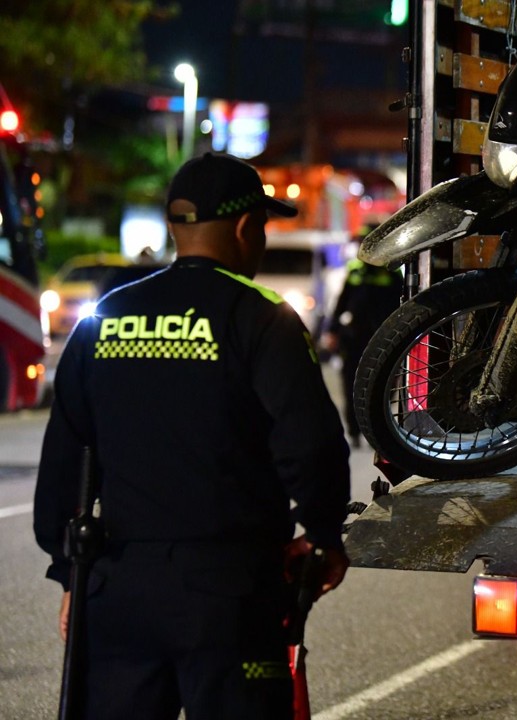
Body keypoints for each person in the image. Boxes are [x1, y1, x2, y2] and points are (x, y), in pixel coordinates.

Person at [34, 152, 352, 720]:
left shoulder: (104, 318)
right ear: (243, 227)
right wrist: (323, 535)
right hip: (229, 592)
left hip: (117, 588)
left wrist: (69, 575)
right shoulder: (261, 317)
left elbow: (64, 459)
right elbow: (312, 444)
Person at [323, 250, 403, 447]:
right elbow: (341, 303)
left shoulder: (392, 273)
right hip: (354, 337)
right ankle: (354, 431)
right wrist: (333, 330)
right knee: (351, 383)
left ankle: (376, 430)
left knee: (384, 385)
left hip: (383, 338)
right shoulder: (355, 271)